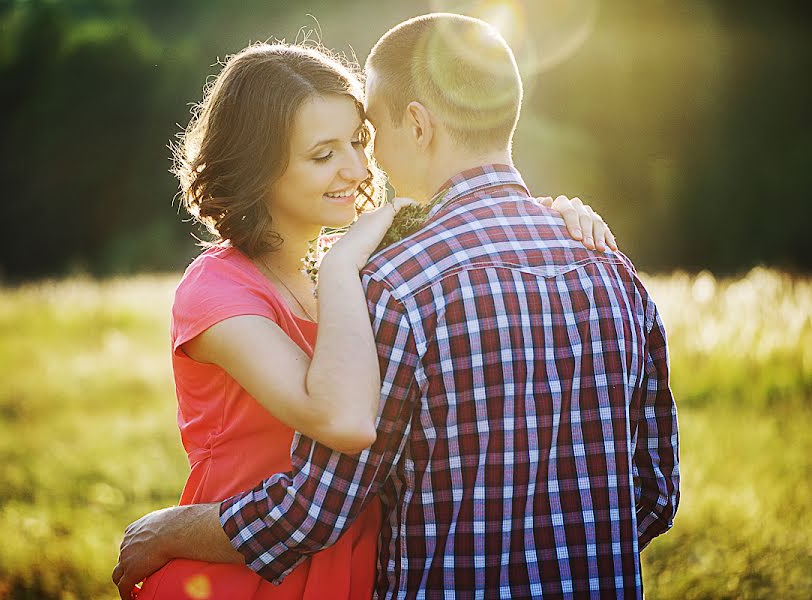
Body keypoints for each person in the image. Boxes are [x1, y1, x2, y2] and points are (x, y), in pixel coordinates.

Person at [114, 16, 644, 599]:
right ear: (260, 168)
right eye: (323, 154)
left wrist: (549, 213)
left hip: (348, 571)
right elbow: (343, 422)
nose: (360, 170)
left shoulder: (371, 275)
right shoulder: (221, 290)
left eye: (359, 142)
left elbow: (478, 223)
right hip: (243, 576)